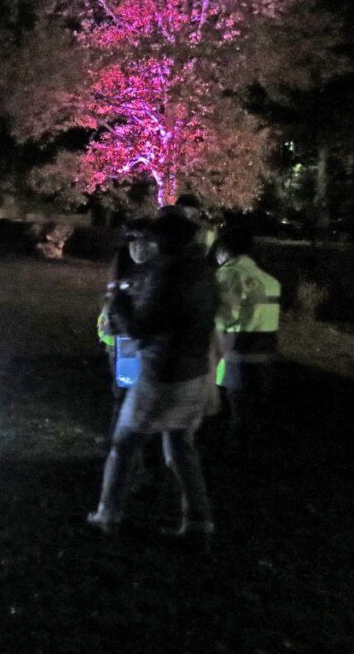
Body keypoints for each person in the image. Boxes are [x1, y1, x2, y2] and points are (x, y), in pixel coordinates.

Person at [88, 210, 219, 549]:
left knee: (124, 444)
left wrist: (118, 301)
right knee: (181, 448)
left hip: (161, 376)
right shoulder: (204, 272)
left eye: (153, 238)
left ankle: (107, 516)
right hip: (193, 374)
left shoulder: (167, 273)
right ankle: (199, 522)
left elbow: (141, 330)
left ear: (165, 240)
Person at [213, 224, 281, 446]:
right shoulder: (269, 280)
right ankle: (256, 452)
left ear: (224, 249)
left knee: (238, 411)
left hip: (238, 355)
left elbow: (223, 318)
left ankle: (238, 455)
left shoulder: (229, 274)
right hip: (266, 354)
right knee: (257, 410)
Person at [97, 218, 155, 431]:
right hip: (122, 339)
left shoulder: (159, 268)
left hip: (146, 341)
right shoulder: (121, 261)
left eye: (144, 241)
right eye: (133, 241)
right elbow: (111, 301)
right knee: (123, 392)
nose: (138, 246)